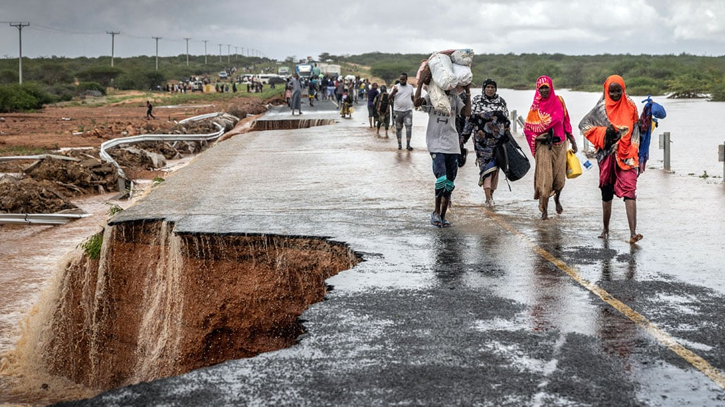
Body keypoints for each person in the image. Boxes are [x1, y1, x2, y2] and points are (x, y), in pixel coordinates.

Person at [578, 75, 642, 244]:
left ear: (623, 89)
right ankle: (605, 229)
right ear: (606, 90)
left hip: (627, 154)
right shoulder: (601, 108)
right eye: (611, 91)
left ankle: (633, 233)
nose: (615, 94)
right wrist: (605, 133)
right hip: (607, 155)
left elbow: (636, 128)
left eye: (618, 91)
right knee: (607, 193)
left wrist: (634, 149)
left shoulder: (631, 106)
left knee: (630, 191)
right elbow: (585, 125)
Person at [413, 69, 471, 228]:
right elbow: (416, 103)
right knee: (441, 180)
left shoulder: (454, 98)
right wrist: (419, 84)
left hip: (452, 144)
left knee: (449, 184)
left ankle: (443, 216)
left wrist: (467, 91)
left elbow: (467, 112)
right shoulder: (432, 96)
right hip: (435, 143)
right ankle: (436, 212)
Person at [523, 75, 577, 220]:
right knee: (545, 180)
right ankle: (544, 210)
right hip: (544, 147)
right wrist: (538, 137)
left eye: (546, 87)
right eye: (541, 88)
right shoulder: (536, 108)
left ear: (551, 87)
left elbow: (566, 120)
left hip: (560, 144)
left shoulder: (559, 101)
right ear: (538, 90)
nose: (544, 90)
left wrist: (572, 139)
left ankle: (557, 198)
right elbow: (528, 129)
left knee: (559, 180)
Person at [467, 79, 510, 207]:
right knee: (486, 169)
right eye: (488, 87)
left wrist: (508, 139)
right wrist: (462, 139)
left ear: (495, 89)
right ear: (484, 88)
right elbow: (470, 121)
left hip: (498, 143)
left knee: (495, 170)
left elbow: (507, 121)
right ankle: (488, 199)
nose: (490, 89)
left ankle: (491, 195)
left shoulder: (501, 102)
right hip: (481, 144)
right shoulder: (476, 101)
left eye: (492, 87)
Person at [390, 73, 415, 150]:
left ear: (406, 79)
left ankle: (408, 145)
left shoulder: (410, 87)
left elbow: (412, 97)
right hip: (397, 111)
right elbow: (389, 97)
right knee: (398, 128)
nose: (401, 81)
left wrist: (416, 105)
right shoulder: (395, 87)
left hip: (408, 111)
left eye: (403, 79)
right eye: (400, 79)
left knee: (409, 127)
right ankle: (399, 145)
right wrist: (394, 92)